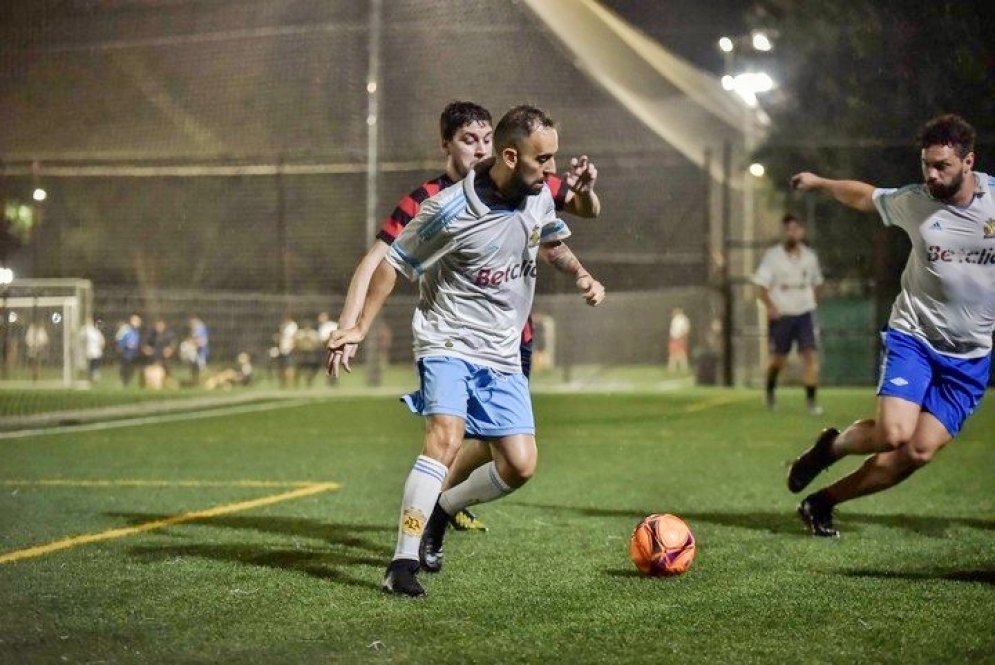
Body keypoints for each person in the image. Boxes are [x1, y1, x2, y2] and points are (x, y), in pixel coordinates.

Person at [328, 105, 605, 597]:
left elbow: (565, 227)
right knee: (445, 439)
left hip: (502, 352)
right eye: (545, 159)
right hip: (447, 340)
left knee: (520, 465)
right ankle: (402, 563)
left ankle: (442, 508)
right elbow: (393, 263)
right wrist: (359, 326)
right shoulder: (446, 209)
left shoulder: (538, 193)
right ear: (511, 154)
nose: (552, 170)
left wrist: (582, 257)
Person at [786, 113, 995, 537]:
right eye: (927, 165)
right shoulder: (916, 201)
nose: (932, 175)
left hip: (971, 354)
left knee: (917, 452)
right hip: (914, 336)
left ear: (969, 161)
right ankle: (833, 447)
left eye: (943, 166)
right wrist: (822, 184)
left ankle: (822, 502)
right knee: (895, 433)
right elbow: (865, 197)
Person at [752, 214, 825, 414]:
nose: (793, 233)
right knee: (778, 359)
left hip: (805, 312)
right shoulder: (773, 256)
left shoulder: (810, 256)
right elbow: (761, 286)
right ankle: (770, 392)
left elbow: (818, 282)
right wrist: (770, 307)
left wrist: (812, 301)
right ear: (784, 232)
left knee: (809, 355)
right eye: (789, 229)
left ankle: (811, 402)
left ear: (802, 232)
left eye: (796, 228)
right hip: (783, 313)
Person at [115, 314, 142, 387]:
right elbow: (119, 338)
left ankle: (127, 382)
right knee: (125, 368)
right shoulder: (126, 329)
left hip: (133, 353)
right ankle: (123, 381)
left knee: (131, 369)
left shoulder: (136, 331)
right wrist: (124, 345)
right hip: (126, 353)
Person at [80, 317, 105, 383]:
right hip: (88, 352)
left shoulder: (95, 330)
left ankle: (95, 377)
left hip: (96, 352)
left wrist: (101, 347)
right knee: (91, 366)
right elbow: (81, 339)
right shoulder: (84, 329)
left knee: (95, 365)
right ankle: (91, 377)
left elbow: (102, 340)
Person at [667, 307, 691, 374]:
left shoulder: (684, 320)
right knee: (673, 354)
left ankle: (684, 369)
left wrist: (684, 338)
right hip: (674, 338)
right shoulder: (674, 320)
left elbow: (685, 330)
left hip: (680, 338)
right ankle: (672, 369)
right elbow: (672, 330)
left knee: (681, 354)